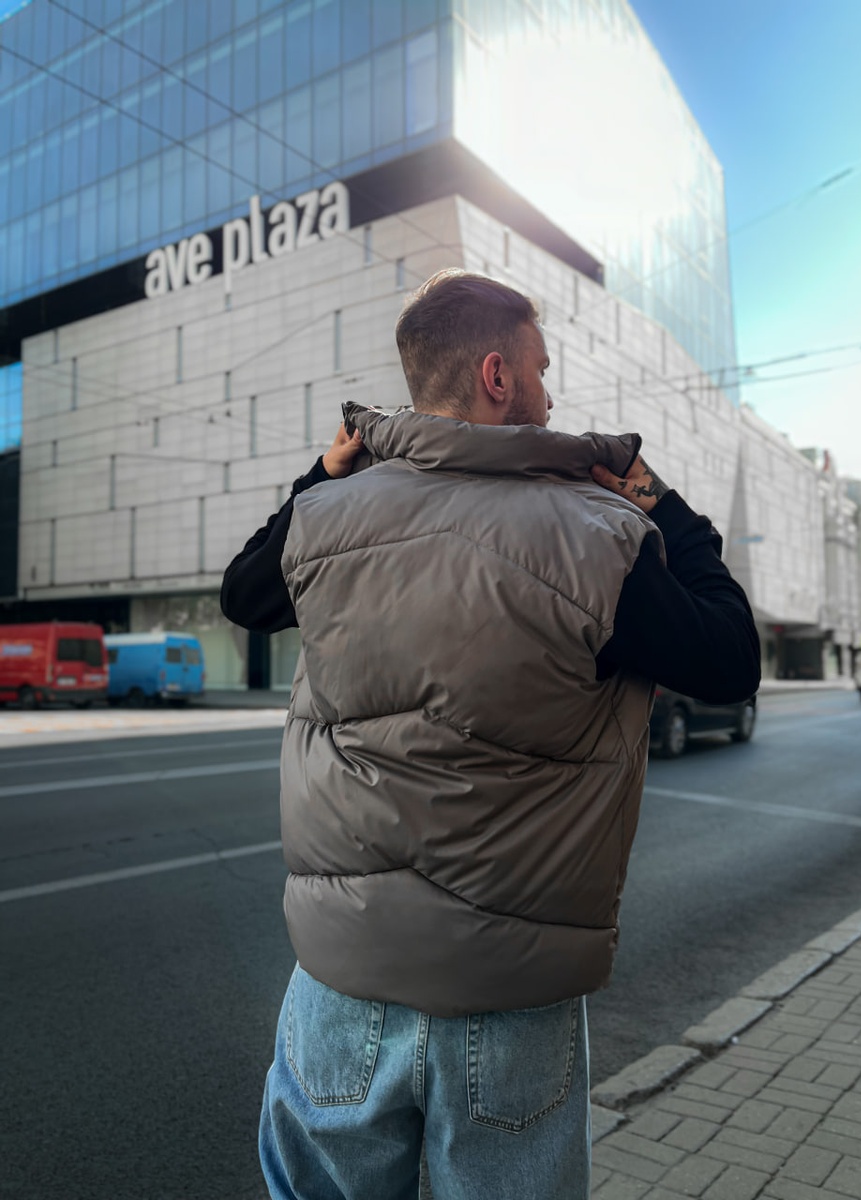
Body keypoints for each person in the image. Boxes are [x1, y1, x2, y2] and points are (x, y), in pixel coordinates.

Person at [221, 270, 760, 1200]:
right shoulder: (599, 538)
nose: (554, 395)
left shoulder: (323, 522)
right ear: (498, 376)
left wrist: (323, 473)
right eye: (543, 371)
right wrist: (660, 505)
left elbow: (245, 594)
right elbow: (730, 660)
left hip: (339, 989)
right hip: (510, 1007)